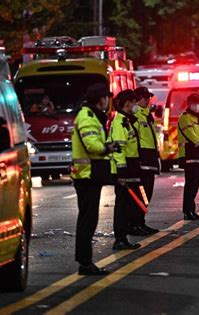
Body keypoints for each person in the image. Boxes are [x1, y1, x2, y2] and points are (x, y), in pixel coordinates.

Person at [71, 83, 118, 275]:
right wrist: (108, 147)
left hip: (90, 174)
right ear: (100, 99)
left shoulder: (91, 116)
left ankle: (85, 261)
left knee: (89, 218)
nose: (107, 101)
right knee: (87, 219)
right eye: (106, 97)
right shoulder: (88, 117)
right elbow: (92, 145)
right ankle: (85, 262)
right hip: (86, 175)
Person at [109, 89, 144, 250]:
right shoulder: (119, 122)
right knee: (122, 205)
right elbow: (119, 149)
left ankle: (123, 238)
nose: (135, 105)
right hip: (124, 168)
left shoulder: (126, 120)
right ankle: (120, 239)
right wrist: (121, 172)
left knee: (127, 205)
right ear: (127, 103)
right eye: (133, 102)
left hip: (130, 166)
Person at [132, 87, 160, 235]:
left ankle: (140, 222)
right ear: (138, 99)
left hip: (150, 159)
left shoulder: (146, 115)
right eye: (145, 98)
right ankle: (136, 224)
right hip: (143, 160)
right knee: (142, 194)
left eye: (149, 98)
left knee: (147, 195)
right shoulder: (136, 115)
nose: (148, 100)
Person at [178, 93, 199, 220]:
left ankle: (192, 210)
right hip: (189, 154)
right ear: (189, 104)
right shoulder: (185, 117)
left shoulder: (198, 118)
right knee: (190, 184)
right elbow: (191, 134)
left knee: (195, 184)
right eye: (195, 103)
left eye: (198, 103)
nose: (197, 106)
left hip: (197, 155)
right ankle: (187, 211)